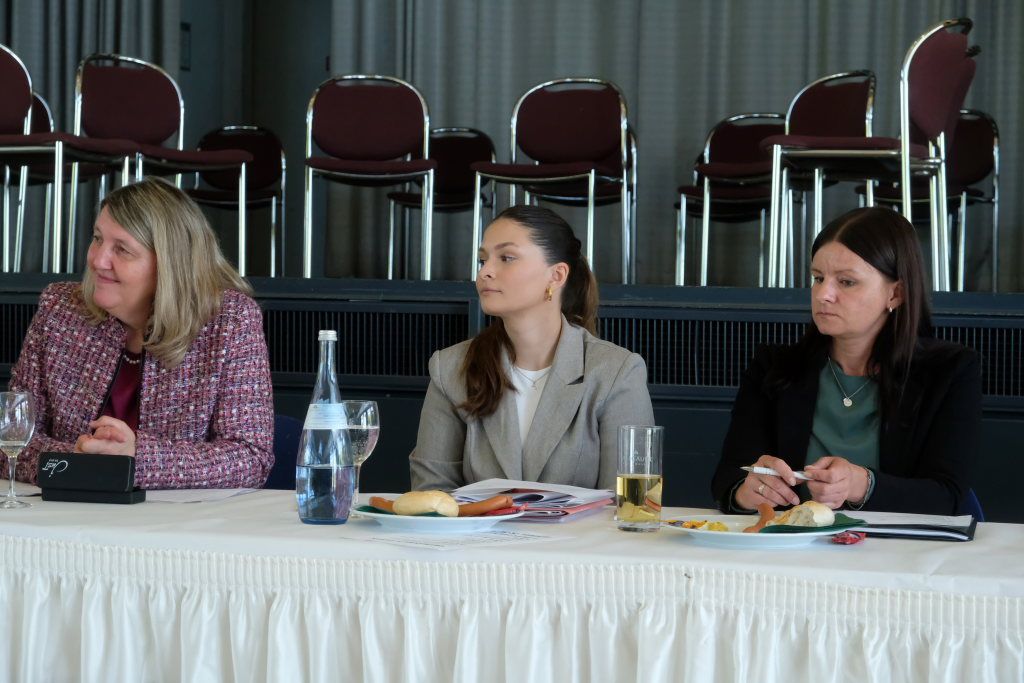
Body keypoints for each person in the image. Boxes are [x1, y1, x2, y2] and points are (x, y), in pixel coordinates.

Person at [712, 207, 981, 515]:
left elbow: (947, 496)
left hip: (897, 544)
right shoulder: (773, 367)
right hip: (794, 542)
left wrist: (862, 484)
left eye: (846, 282)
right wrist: (747, 491)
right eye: (818, 278)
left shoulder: (950, 371)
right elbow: (727, 478)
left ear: (896, 294)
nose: (823, 295)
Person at [8, 177, 273, 488]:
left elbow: (250, 458)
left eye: (122, 249)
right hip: (66, 511)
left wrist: (138, 459)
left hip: (176, 517)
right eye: (97, 238)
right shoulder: (60, 309)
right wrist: (80, 462)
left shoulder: (230, 321)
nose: (98, 260)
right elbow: (10, 439)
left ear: (170, 264)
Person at [410, 205, 654, 491]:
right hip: (477, 525)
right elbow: (431, 494)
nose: (485, 272)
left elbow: (632, 502)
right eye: (482, 260)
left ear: (557, 275)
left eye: (506, 258)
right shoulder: (450, 367)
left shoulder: (617, 372)